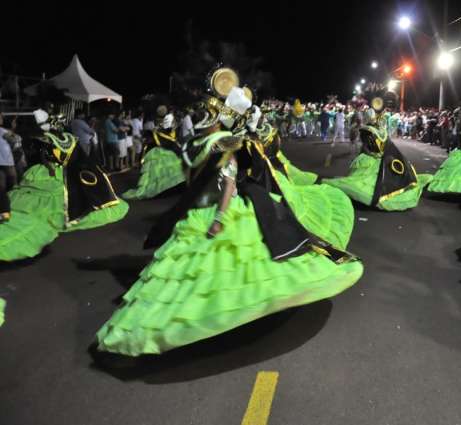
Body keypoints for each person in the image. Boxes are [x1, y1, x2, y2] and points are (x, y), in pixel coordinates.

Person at [96, 78, 363, 357]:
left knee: (204, 272)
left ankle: (180, 321)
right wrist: (219, 216)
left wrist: (219, 216)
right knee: (210, 271)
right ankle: (182, 320)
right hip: (208, 214)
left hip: (206, 214)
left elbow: (220, 181)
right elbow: (225, 181)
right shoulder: (220, 143)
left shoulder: (203, 144)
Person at [0, 109, 129, 262]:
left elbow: (40, 159)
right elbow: (79, 157)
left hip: (48, 174)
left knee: (33, 204)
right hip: (68, 174)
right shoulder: (68, 137)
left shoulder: (41, 139)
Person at [0, 114, 17, 223]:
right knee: (10, 181)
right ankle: (5, 212)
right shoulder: (3, 131)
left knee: (2, 186)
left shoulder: (3, 130)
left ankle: (4, 212)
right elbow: (13, 142)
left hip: (5, 160)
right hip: (5, 160)